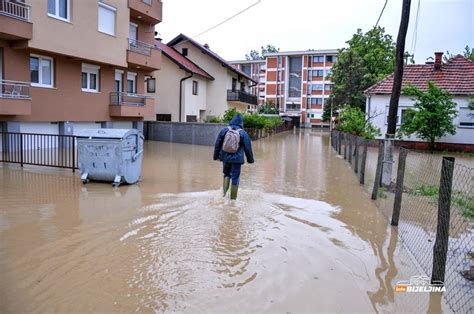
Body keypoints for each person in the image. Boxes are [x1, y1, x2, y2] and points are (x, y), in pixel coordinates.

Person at [213, 114, 254, 200]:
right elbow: (248, 148)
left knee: (226, 174)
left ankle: (224, 196)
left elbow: (217, 144)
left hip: (225, 158)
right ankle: (232, 200)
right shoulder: (243, 133)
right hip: (237, 160)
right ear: (241, 123)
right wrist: (250, 160)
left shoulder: (224, 130)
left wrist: (216, 156)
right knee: (235, 177)